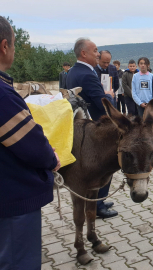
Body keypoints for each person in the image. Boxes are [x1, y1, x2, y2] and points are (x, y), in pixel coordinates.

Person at [0, 16, 61, 270]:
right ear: (5, 46)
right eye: (14, 44)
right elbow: (31, 144)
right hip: (12, 200)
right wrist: (52, 158)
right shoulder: (2, 94)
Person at [66, 38, 116, 219]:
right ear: (84, 53)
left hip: (81, 129)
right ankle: (98, 205)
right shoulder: (87, 74)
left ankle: (99, 200)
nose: (98, 53)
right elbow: (102, 103)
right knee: (102, 167)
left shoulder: (72, 71)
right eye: (95, 50)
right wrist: (109, 95)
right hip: (95, 127)